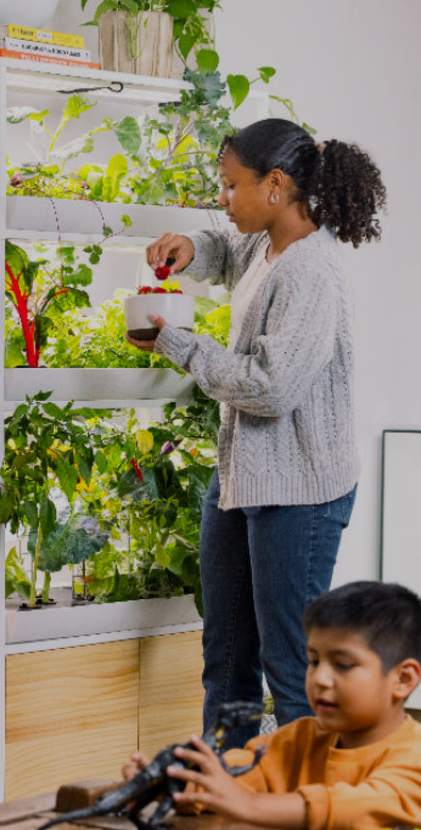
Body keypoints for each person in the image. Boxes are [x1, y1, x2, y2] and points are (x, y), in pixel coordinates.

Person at [127, 118, 387, 744]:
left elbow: (271, 388)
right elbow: (226, 246)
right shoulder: (268, 243)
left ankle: (306, 805)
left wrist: (177, 345)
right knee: (225, 658)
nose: (222, 199)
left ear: (275, 185)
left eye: (230, 186)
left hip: (300, 492)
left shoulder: (311, 271)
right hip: (241, 481)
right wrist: (191, 246)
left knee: (290, 667)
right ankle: (231, 794)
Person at [123, 580, 421, 829]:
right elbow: (231, 778)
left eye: (342, 665)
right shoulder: (298, 740)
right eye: (314, 661)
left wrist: (250, 805)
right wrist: (171, 786)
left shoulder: (414, 757)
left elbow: (359, 807)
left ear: (403, 679)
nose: (321, 678)